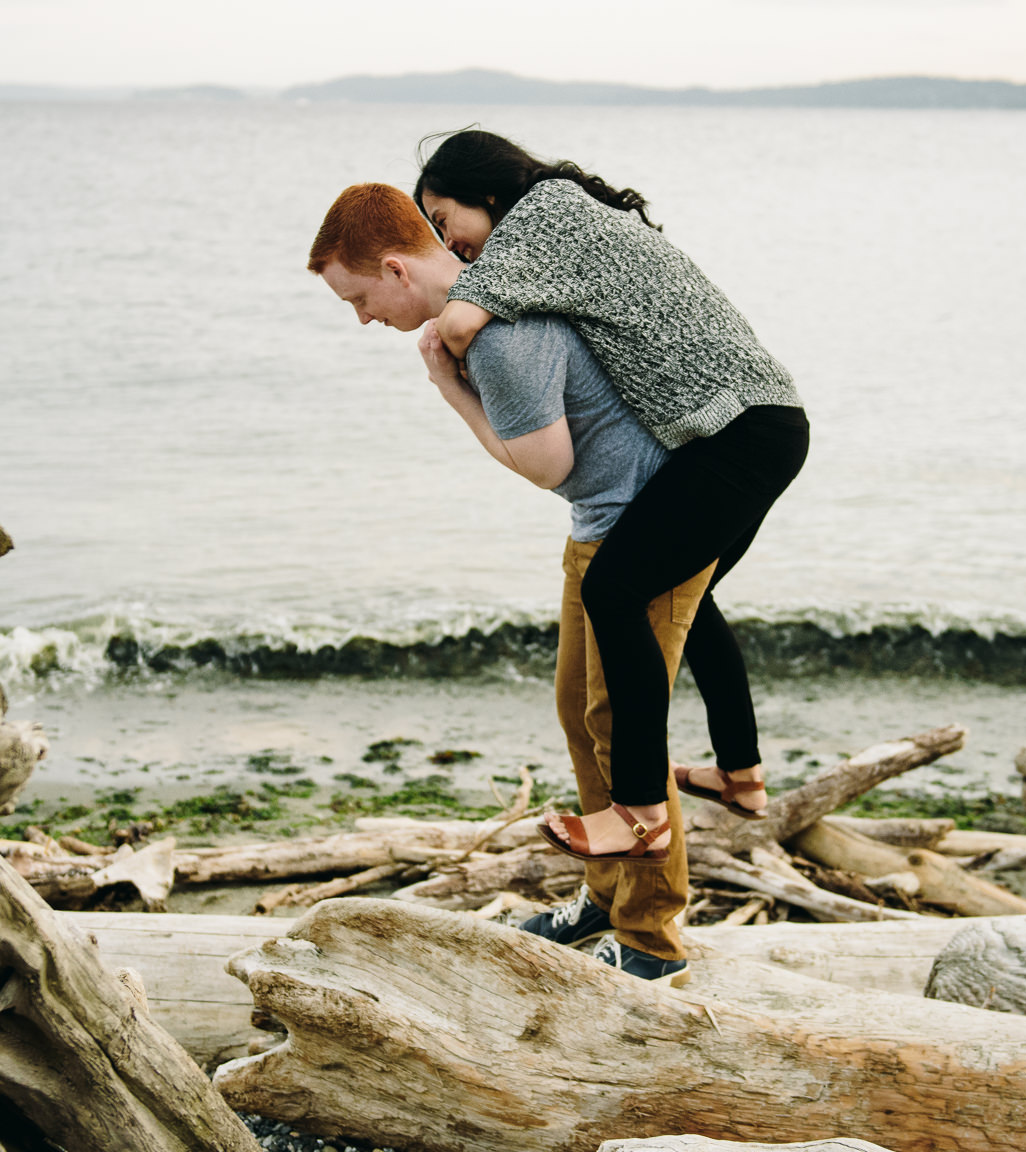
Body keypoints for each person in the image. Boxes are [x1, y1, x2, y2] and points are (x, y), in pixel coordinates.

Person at [307, 182, 712, 984]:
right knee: (579, 710)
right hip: (600, 527)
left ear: (393, 268)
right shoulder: (486, 301)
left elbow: (545, 465)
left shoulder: (498, 340)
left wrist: (452, 394)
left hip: (650, 529)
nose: (360, 319)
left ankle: (652, 938)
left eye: (357, 299)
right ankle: (605, 894)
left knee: (624, 723)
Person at [412, 131, 809, 862]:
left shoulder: (542, 215)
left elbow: (461, 322)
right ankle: (741, 773)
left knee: (615, 589)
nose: (451, 243)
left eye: (445, 220)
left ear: (487, 192)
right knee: (688, 595)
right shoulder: (568, 217)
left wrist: (448, 358)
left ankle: (639, 813)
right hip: (762, 424)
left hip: (737, 433)